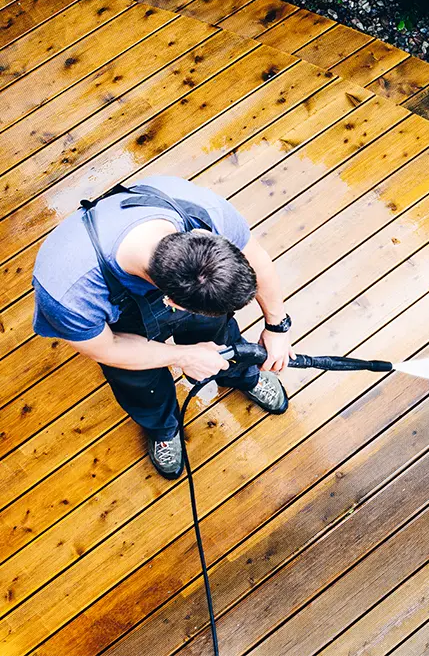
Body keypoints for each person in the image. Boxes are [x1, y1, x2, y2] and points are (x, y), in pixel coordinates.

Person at [32, 176, 294, 480]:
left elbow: (256, 257)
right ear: (172, 302)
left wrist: (278, 326)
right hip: (119, 332)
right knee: (139, 381)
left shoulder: (203, 212)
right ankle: (162, 426)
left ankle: (241, 374)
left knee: (220, 334)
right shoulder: (68, 292)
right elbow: (107, 348)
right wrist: (183, 356)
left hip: (179, 297)